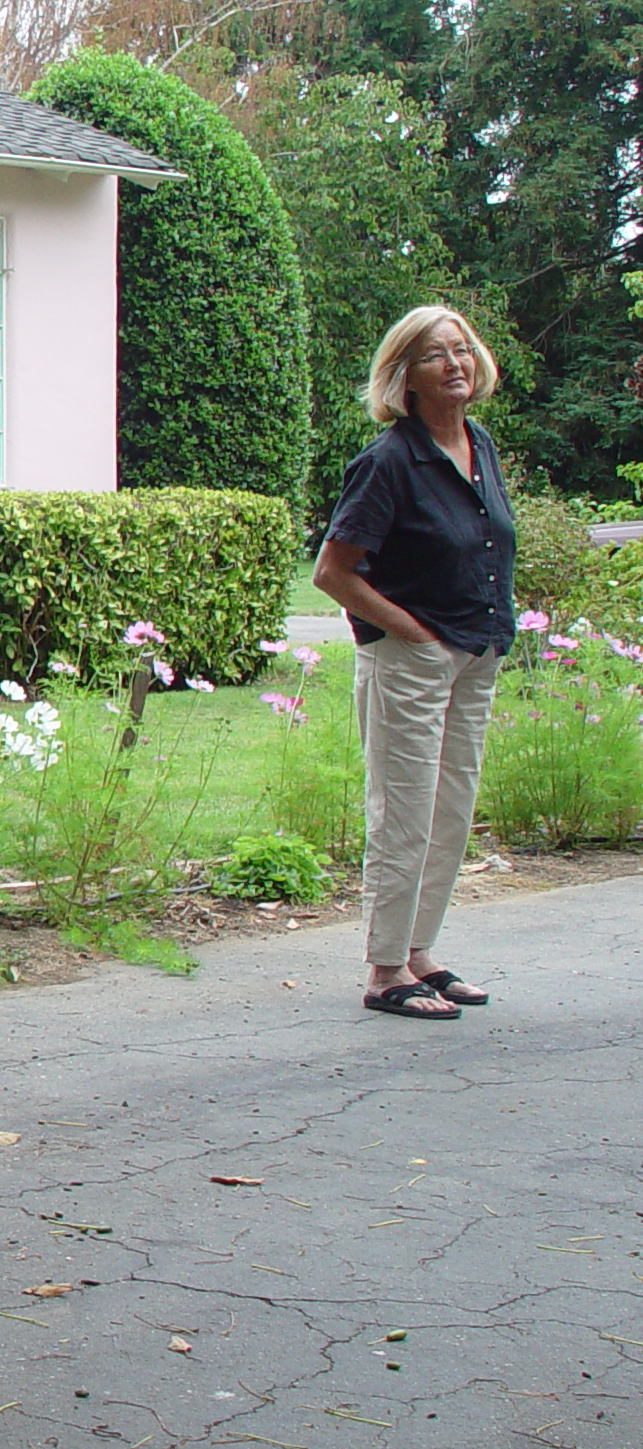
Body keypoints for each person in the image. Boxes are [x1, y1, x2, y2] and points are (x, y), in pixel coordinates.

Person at [313, 306, 516, 1021]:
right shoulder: (389, 461)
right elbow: (333, 573)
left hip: (475, 654)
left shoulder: (478, 444)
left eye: (462, 350)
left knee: (450, 812)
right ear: (406, 376)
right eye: (436, 355)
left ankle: (420, 952)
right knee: (404, 814)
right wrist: (415, 634)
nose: (455, 364)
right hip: (411, 660)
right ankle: (384, 969)